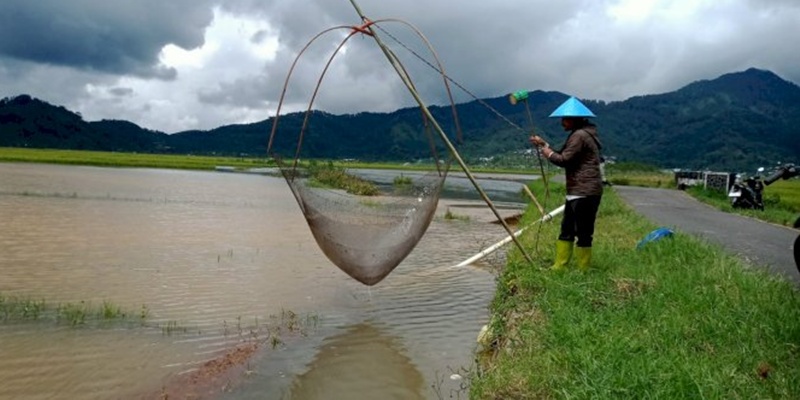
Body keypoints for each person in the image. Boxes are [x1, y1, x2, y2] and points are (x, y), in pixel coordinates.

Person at [529, 96, 603, 271]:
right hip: (579, 191)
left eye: (565, 119)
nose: (562, 122)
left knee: (583, 232)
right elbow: (565, 153)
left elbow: (564, 159)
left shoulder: (579, 135)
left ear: (574, 120)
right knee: (567, 228)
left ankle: (582, 269)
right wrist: (544, 145)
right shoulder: (581, 134)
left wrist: (546, 152)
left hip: (584, 191)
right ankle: (560, 266)